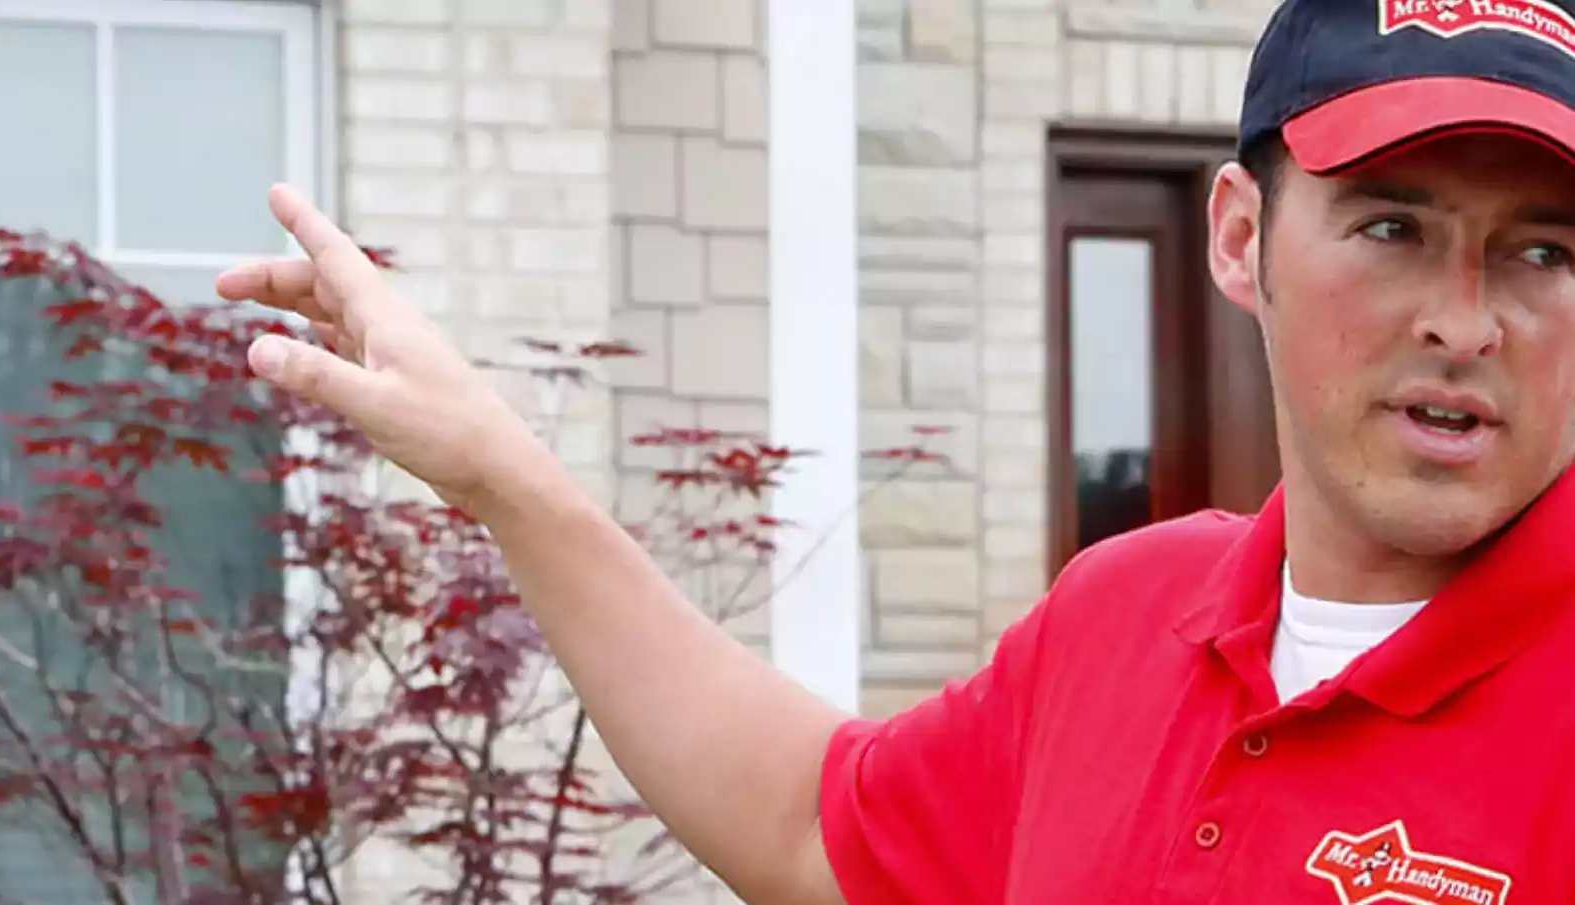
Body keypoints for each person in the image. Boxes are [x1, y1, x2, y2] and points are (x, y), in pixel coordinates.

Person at [218, 0, 1575, 901]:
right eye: (1392, 228)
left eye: (1543, 250)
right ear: (1240, 236)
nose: (1466, 320)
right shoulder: (1131, 615)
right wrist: (499, 477)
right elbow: (814, 827)